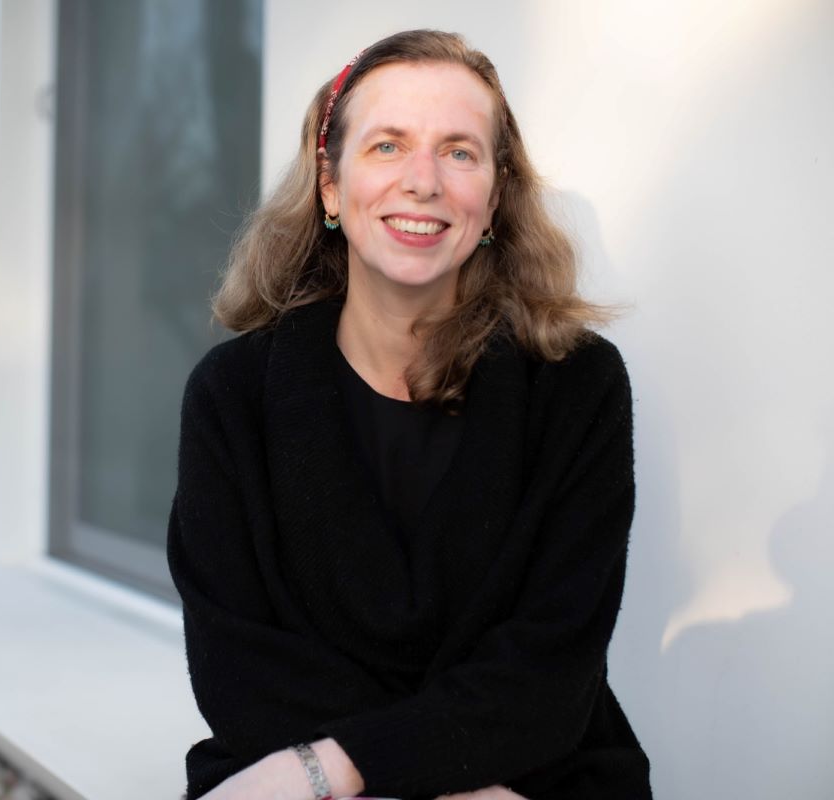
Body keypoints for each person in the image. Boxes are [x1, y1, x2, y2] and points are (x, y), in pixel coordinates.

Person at [166, 29, 652, 800]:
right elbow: (238, 671)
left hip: (530, 773)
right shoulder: (232, 397)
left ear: (494, 197)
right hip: (292, 768)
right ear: (330, 185)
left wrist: (339, 764)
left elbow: (550, 667)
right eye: (387, 145)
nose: (423, 181)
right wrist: (437, 774)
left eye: (458, 151)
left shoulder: (578, 386)